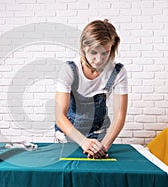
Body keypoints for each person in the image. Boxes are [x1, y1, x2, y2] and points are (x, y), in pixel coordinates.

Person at [54, 19, 128, 159]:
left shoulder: (117, 72)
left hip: (99, 136)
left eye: (105, 53)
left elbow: (119, 116)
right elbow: (59, 116)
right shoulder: (69, 70)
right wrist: (83, 142)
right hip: (68, 136)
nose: (99, 59)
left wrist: (102, 148)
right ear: (83, 48)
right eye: (94, 52)